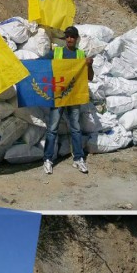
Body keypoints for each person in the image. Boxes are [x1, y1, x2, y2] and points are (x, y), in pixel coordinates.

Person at [42, 26, 94, 176]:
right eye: (67, 36)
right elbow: (40, 63)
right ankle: (47, 159)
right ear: (65, 38)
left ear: (77, 39)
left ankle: (78, 158)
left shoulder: (81, 55)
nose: (70, 39)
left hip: (74, 97)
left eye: (72, 36)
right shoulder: (57, 52)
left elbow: (90, 77)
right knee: (52, 128)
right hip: (58, 97)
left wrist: (89, 65)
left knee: (76, 129)